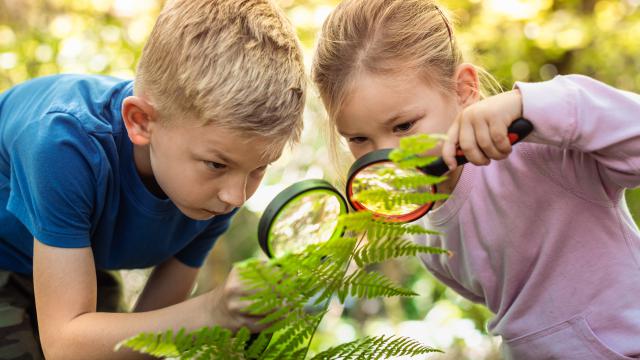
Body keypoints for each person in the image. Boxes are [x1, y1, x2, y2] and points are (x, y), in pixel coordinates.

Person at [311, 0, 640, 359]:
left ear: (463, 90)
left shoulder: (536, 148)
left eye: (404, 126)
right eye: (359, 139)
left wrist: (527, 105)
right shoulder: (423, 234)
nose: (390, 156)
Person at [0, 0, 306, 358]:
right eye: (216, 165)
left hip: (76, 266)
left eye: (259, 168)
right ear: (141, 122)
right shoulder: (65, 146)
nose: (236, 197)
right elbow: (66, 345)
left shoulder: (214, 185)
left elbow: (150, 337)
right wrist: (213, 312)